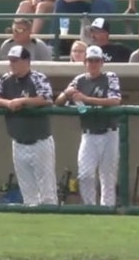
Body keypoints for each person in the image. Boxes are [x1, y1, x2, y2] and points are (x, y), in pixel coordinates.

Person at [0, 45, 58, 206]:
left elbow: (47, 99)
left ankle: (50, 219)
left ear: (26, 61)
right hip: (18, 141)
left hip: (40, 141)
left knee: (46, 188)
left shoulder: (37, 77)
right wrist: (8, 103)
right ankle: (32, 221)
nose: (11, 64)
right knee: (27, 189)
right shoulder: (6, 79)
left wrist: (22, 101)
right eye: (10, 60)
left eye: (15, 61)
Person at [55, 45, 122, 206]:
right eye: (90, 60)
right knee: (85, 175)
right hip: (89, 133)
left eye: (96, 60)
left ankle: (107, 210)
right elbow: (58, 102)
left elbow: (115, 100)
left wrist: (86, 98)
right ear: (85, 62)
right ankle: (90, 207)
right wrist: (67, 93)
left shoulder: (110, 77)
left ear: (102, 62)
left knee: (108, 177)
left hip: (109, 132)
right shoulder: (79, 80)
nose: (93, 64)